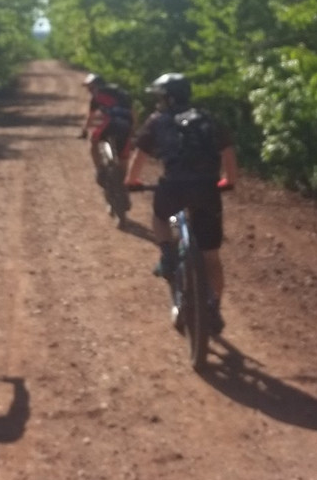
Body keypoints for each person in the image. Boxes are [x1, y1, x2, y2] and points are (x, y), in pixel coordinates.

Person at [124, 72, 238, 335]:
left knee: (160, 217)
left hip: (173, 187)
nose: (158, 102)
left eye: (160, 97)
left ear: (168, 97)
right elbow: (228, 152)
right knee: (211, 256)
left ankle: (167, 254)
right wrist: (228, 180)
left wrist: (132, 181)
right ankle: (213, 306)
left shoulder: (157, 121)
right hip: (208, 188)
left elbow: (140, 155)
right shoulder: (208, 119)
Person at [80, 72, 135, 186]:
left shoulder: (97, 96)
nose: (89, 90)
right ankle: (122, 183)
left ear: (96, 85)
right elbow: (133, 112)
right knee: (124, 155)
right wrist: (133, 130)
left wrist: (84, 131)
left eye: (90, 87)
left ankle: (100, 171)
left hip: (110, 122)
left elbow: (91, 117)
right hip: (126, 123)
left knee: (94, 141)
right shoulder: (121, 92)